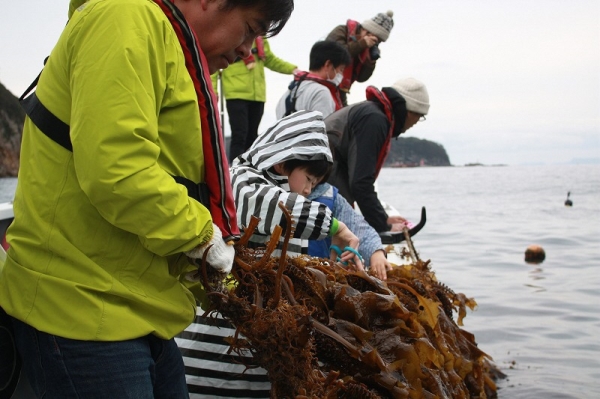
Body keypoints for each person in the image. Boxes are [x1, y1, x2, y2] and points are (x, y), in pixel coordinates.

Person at [0, 0, 294, 398]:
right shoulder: (125, 17)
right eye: (250, 29)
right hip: (81, 309)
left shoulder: (168, 44)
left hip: (139, 308)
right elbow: (117, 168)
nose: (249, 50)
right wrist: (200, 236)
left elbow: (166, 174)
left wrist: (200, 270)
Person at [178, 110, 362, 398]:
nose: (308, 190)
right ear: (281, 161)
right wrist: (337, 228)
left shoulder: (283, 192)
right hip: (215, 353)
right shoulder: (237, 180)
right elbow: (270, 206)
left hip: (257, 356)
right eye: (309, 178)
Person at [325, 77, 430, 235]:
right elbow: (360, 182)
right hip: (325, 176)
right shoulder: (374, 120)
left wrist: (383, 217)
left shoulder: (371, 112)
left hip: (324, 174)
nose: (416, 121)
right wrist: (383, 225)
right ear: (409, 111)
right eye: (420, 115)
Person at [214, 36, 298, 162]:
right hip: (236, 94)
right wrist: (213, 90)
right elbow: (215, 64)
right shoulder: (233, 34)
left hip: (258, 95)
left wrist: (293, 69)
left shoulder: (261, 38)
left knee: (253, 137)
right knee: (239, 136)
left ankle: (250, 172)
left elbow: (270, 60)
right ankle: (234, 173)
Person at [326, 10, 394, 105]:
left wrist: (370, 62)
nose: (375, 42)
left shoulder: (367, 49)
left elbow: (361, 78)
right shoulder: (342, 31)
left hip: (341, 92)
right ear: (366, 30)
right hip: (324, 83)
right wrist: (361, 44)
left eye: (378, 41)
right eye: (374, 37)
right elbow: (335, 54)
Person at [275, 40, 350, 119]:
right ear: (328, 64)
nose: (341, 75)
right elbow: (325, 128)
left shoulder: (287, 94)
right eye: (341, 70)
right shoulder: (321, 93)